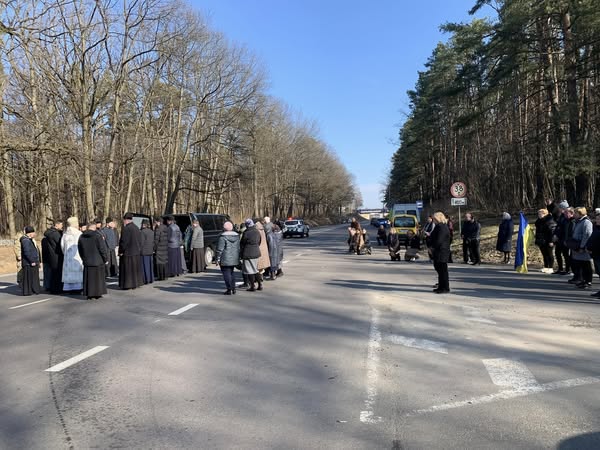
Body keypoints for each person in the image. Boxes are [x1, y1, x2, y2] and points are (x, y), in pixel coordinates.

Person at [78, 221, 108, 300]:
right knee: (98, 279)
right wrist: (105, 259)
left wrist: (83, 258)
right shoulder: (97, 236)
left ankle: (89, 294)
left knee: (89, 279)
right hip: (97, 260)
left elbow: (80, 250)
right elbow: (102, 249)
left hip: (87, 261)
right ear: (94, 227)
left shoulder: (81, 236)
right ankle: (97, 293)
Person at [569, 207, 593, 289]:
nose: (574, 214)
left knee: (586, 265)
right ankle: (582, 280)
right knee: (581, 265)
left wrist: (582, 246)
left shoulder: (586, 222)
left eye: (575, 213)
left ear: (580, 214)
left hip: (583, 247)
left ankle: (588, 281)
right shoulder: (578, 222)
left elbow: (587, 235)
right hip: (577, 246)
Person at [215, 221, 240, 295]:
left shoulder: (222, 237)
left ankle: (229, 289)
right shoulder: (237, 236)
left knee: (226, 273)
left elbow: (220, 249)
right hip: (234, 257)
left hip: (225, 258)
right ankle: (233, 288)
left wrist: (217, 259)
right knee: (232, 273)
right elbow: (238, 248)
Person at [119, 213, 143, 290]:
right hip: (136, 252)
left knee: (128, 270)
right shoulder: (136, 228)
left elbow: (124, 241)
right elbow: (140, 241)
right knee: (135, 269)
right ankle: (135, 284)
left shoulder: (126, 229)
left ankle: (128, 285)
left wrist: (121, 251)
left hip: (128, 252)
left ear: (126, 220)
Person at [430, 212, 451, 294]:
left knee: (443, 270)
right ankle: (441, 286)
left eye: (434, 219)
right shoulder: (438, 226)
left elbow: (439, 240)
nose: (433, 220)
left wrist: (433, 247)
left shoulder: (442, 227)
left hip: (442, 251)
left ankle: (445, 287)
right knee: (439, 269)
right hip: (438, 251)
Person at [61, 217, 84, 293]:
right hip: (77, 256)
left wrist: (66, 254)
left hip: (68, 257)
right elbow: (82, 245)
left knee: (69, 272)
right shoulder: (79, 233)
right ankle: (78, 288)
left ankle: (69, 288)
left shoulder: (65, 234)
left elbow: (62, 246)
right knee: (77, 272)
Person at [41, 220, 64, 293]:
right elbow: (60, 244)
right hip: (57, 255)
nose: (62, 227)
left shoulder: (48, 234)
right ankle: (57, 289)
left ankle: (51, 287)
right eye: (61, 225)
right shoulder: (55, 234)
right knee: (57, 273)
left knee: (52, 273)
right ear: (56, 225)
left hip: (50, 256)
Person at [240, 219, 262, 291]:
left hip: (248, 253)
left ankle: (252, 286)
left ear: (246, 225)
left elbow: (242, 244)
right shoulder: (257, 231)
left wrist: (241, 254)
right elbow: (259, 241)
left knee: (250, 271)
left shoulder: (246, 233)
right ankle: (260, 285)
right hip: (256, 252)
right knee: (256, 269)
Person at [535, 208, 557, 273]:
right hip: (541, 240)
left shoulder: (550, 220)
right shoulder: (538, 221)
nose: (539, 215)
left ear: (545, 214)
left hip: (548, 240)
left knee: (549, 254)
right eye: (538, 214)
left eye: (540, 214)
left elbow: (552, 232)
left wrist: (551, 241)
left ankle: (551, 267)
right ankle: (546, 266)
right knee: (544, 254)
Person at [20, 226, 41, 296]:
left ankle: (31, 290)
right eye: (33, 232)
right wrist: (32, 261)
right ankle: (30, 290)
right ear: (30, 233)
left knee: (31, 277)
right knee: (30, 277)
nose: (34, 234)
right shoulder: (25, 241)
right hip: (29, 263)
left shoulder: (29, 240)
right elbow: (27, 252)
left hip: (30, 262)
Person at [554, 201, 572, 275]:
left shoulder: (567, 217)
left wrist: (565, 239)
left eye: (561, 208)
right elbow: (558, 227)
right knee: (557, 253)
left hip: (564, 239)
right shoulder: (561, 216)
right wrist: (555, 235)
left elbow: (566, 230)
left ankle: (568, 269)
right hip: (559, 239)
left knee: (565, 254)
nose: (560, 209)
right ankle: (560, 268)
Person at [586, 214, 600, 298]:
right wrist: (588, 247)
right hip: (595, 254)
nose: (597, 220)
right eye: (597, 219)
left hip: (598, 253)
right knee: (599, 272)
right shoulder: (596, 228)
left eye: (599, 219)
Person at [140, 219, 154, 284]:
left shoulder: (142, 232)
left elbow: (141, 243)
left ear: (144, 225)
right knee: (150, 266)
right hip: (150, 251)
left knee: (145, 267)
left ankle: (146, 279)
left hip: (144, 252)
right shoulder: (151, 231)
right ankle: (151, 279)